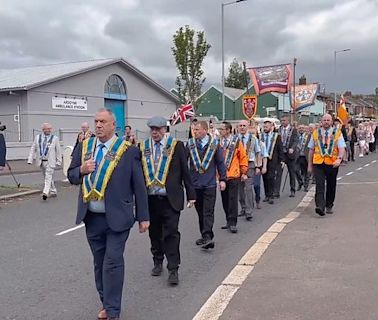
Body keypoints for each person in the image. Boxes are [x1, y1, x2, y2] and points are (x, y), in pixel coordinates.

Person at [68, 108, 149, 320]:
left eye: (103, 121)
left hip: (118, 218)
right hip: (92, 218)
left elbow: (139, 185)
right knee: (99, 263)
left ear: (114, 125)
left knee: (112, 262)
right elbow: (71, 175)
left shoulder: (128, 150)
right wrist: (82, 170)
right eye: (96, 121)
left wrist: (143, 217)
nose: (98, 125)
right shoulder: (85, 147)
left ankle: (113, 310)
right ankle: (106, 302)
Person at [140, 116, 196, 285]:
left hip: (170, 198)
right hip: (151, 199)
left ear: (164, 130)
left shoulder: (177, 146)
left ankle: (173, 268)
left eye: (158, 129)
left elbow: (185, 171)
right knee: (154, 233)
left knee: (171, 233)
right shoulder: (143, 147)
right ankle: (157, 261)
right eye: (152, 129)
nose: (155, 132)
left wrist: (191, 194)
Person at [188, 120, 227, 249]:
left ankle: (208, 237)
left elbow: (220, 163)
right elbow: (184, 162)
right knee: (200, 212)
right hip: (195, 184)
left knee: (208, 212)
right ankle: (204, 235)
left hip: (210, 184)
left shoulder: (214, 145)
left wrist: (223, 179)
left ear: (205, 130)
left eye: (198, 129)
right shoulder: (190, 144)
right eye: (194, 130)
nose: (195, 132)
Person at [307, 114, 346, 216]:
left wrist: (339, 159)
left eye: (328, 120)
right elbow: (311, 150)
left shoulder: (337, 133)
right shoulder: (315, 133)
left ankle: (329, 204)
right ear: (321, 121)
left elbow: (341, 148)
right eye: (324, 120)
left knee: (331, 185)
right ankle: (320, 206)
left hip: (332, 163)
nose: (326, 122)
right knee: (319, 185)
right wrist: (309, 165)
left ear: (331, 121)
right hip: (318, 163)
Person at [219, 121, 248, 233]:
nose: (220, 131)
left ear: (228, 130)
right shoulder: (218, 142)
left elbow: (243, 157)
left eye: (222, 129)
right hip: (222, 176)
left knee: (232, 199)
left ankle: (233, 222)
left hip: (233, 175)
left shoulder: (236, 142)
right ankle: (228, 220)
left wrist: (244, 171)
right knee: (225, 199)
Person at [27, 123, 62, 200]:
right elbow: (33, 148)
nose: (50, 130)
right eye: (48, 128)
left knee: (48, 176)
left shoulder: (54, 138)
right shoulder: (37, 138)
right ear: (43, 129)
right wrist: (30, 159)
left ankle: (45, 192)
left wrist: (59, 161)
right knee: (47, 177)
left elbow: (58, 151)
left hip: (50, 161)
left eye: (50, 128)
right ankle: (53, 191)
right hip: (41, 161)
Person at [237, 120, 261, 220]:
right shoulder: (235, 139)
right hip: (238, 166)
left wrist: (258, 166)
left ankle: (249, 211)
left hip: (249, 164)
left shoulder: (253, 138)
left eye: (244, 125)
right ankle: (243, 207)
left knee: (248, 188)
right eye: (240, 125)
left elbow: (258, 152)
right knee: (240, 189)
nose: (242, 127)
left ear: (247, 127)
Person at [261, 120, 284, 205]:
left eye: (266, 127)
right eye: (264, 127)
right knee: (265, 178)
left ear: (271, 127)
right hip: (263, 159)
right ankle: (267, 195)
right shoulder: (261, 136)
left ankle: (271, 195)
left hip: (273, 160)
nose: (265, 128)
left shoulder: (276, 136)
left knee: (271, 177)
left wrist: (282, 160)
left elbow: (280, 148)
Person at [274, 115, 299, 198]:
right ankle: (276, 192)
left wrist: (292, 148)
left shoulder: (293, 130)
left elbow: (296, 140)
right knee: (278, 173)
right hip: (281, 154)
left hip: (290, 154)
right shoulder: (279, 129)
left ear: (288, 121)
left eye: (284, 120)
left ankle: (292, 190)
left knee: (291, 172)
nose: (282, 122)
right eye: (281, 120)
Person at [250, 125, 268, 209]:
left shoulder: (261, 144)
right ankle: (249, 204)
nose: (251, 135)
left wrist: (264, 167)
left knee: (256, 185)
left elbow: (264, 156)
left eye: (253, 133)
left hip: (257, 166)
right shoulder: (244, 143)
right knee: (247, 187)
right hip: (248, 166)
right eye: (250, 133)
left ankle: (257, 200)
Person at [295, 124, 311, 192]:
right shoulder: (296, 136)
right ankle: (300, 182)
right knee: (296, 170)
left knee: (306, 172)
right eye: (300, 128)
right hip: (298, 156)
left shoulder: (309, 136)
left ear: (305, 129)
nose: (301, 129)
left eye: (303, 128)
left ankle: (306, 185)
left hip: (306, 156)